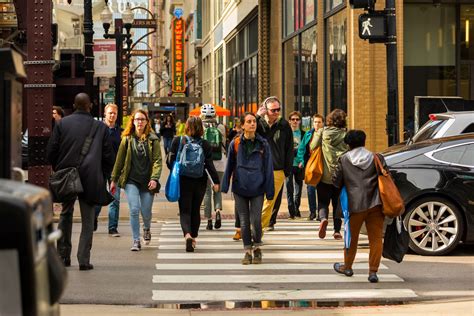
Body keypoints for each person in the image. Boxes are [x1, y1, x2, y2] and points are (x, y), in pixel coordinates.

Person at [47, 93, 115, 270]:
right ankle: (83, 260)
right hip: (91, 177)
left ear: (74, 105)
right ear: (90, 106)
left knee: (65, 214)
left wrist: (59, 167)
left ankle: (63, 256)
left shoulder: (62, 124)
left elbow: (51, 152)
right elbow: (108, 156)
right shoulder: (100, 127)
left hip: (67, 174)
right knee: (87, 219)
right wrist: (103, 174)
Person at [332, 130, 384, 283]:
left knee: (351, 237)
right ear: (364, 141)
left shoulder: (344, 159)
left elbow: (336, 181)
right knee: (375, 239)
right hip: (375, 203)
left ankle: (347, 267)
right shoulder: (376, 157)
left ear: (348, 144)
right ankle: (373, 272)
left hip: (354, 205)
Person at [222, 112, 274, 264]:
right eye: (249, 121)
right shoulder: (236, 143)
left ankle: (257, 248)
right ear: (243, 125)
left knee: (256, 220)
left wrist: (269, 191)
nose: (252, 124)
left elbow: (268, 168)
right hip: (240, 188)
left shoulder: (263, 144)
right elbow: (229, 166)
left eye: (254, 122)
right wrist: (225, 185)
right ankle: (247, 251)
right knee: (244, 222)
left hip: (258, 188)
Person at [110, 109, 162, 251]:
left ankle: (146, 228)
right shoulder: (126, 139)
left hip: (148, 181)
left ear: (146, 122)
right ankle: (136, 240)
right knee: (134, 209)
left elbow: (157, 160)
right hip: (131, 180)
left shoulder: (153, 140)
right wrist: (114, 179)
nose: (139, 122)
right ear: (132, 122)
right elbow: (119, 161)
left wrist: (155, 178)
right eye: (137, 119)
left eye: (142, 120)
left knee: (146, 212)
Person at [166, 116, 220, 252]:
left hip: (183, 179)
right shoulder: (205, 144)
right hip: (200, 180)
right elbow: (209, 165)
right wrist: (216, 181)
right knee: (195, 210)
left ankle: (187, 235)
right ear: (201, 129)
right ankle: (194, 237)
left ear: (186, 126)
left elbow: (170, 162)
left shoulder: (178, 141)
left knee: (184, 210)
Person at [309, 109, 348, 240]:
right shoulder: (345, 134)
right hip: (340, 175)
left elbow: (313, 146)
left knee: (323, 201)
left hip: (324, 174)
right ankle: (337, 231)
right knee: (337, 204)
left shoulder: (322, 132)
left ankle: (323, 219)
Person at [256, 96, 293, 231]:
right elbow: (246, 134)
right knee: (257, 199)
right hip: (259, 168)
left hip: (277, 169)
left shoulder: (284, 126)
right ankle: (253, 226)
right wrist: (256, 117)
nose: (276, 112)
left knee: (269, 202)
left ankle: (258, 229)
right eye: (273, 110)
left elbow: (289, 149)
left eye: (278, 109)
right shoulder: (258, 123)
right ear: (265, 110)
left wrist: (286, 171)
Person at [93, 103, 123, 236]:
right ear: (105, 114)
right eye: (110, 113)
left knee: (114, 199)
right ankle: (93, 219)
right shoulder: (97, 129)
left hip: (114, 170)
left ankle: (112, 228)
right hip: (99, 168)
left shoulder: (120, 132)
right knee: (98, 198)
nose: (112, 115)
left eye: (114, 113)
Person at [201, 104, 226, 230]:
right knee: (217, 189)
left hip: (206, 163)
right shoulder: (220, 127)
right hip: (220, 162)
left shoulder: (201, 127)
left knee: (206, 191)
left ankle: (209, 220)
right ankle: (217, 212)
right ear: (215, 115)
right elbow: (224, 144)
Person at [295, 114, 324, 220]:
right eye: (315, 122)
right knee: (310, 189)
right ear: (313, 123)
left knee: (321, 190)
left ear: (323, 123)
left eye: (319, 122)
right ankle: (312, 212)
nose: (317, 124)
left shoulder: (325, 134)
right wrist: (301, 161)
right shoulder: (308, 134)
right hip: (310, 164)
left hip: (322, 165)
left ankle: (322, 214)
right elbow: (301, 148)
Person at [285, 111, 305, 219]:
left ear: (300, 121)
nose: (295, 121)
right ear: (289, 121)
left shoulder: (303, 134)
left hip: (299, 165)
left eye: (297, 119)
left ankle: (297, 209)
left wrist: (303, 161)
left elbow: (306, 149)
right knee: (289, 189)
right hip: (289, 165)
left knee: (298, 189)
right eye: (293, 119)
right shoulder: (286, 134)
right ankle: (291, 211)